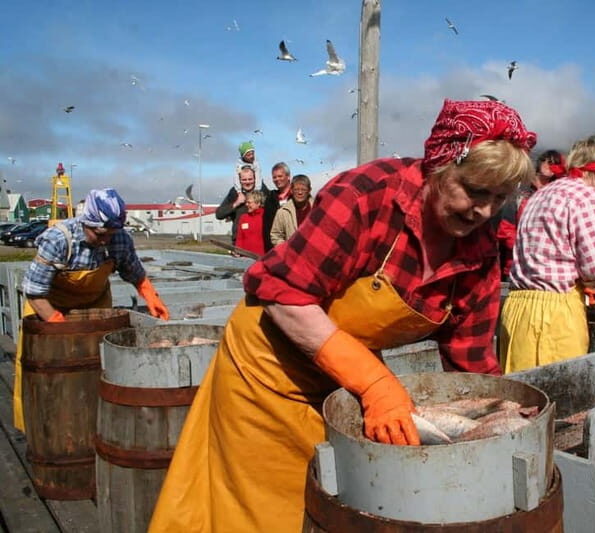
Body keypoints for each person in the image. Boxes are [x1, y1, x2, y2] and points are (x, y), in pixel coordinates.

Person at [148, 99, 537, 532]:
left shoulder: (478, 249)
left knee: (335, 505)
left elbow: (470, 356)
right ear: (440, 167)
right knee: (263, 511)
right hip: (268, 369)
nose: (484, 211)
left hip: (344, 380)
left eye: (499, 198)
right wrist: (374, 383)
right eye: (475, 191)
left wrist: (496, 425)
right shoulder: (367, 195)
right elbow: (283, 293)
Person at [13, 189, 169, 432]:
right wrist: (58, 325)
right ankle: (43, 431)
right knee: (51, 378)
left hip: (95, 305)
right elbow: (34, 291)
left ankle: (98, 427)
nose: (106, 240)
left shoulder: (119, 239)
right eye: (100, 234)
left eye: (111, 234)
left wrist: (150, 295)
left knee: (98, 370)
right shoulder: (59, 239)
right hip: (49, 307)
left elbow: (134, 272)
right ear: (87, 222)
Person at [500, 135, 595, 374]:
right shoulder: (588, 198)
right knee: (555, 391)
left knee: (516, 389)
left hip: (516, 309)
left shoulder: (541, 195)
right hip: (553, 317)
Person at [497, 150, 565, 279]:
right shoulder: (520, 190)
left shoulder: (557, 193)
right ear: (540, 162)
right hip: (516, 264)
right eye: (548, 161)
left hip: (546, 267)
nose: (551, 166)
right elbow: (506, 228)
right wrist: (525, 249)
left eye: (556, 164)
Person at [215, 165, 280, 250]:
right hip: (239, 242)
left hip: (261, 242)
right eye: (244, 180)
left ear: (255, 179)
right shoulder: (235, 192)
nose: (247, 182)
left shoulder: (262, 190)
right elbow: (219, 214)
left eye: (250, 179)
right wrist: (236, 203)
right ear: (239, 180)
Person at [270, 174, 313, 246]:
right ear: (291, 190)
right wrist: (287, 247)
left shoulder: (317, 208)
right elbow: (275, 236)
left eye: (303, 189)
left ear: (309, 190)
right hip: (292, 252)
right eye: (296, 189)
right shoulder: (283, 212)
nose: (300, 192)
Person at [234, 190, 267, 256]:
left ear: (258, 203)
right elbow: (240, 238)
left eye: (249, 203)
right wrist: (237, 251)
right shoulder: (244, 218)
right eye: (246, 202)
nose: (246, 204)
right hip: (245, 257)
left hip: (262, 257)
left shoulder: (266, 217)